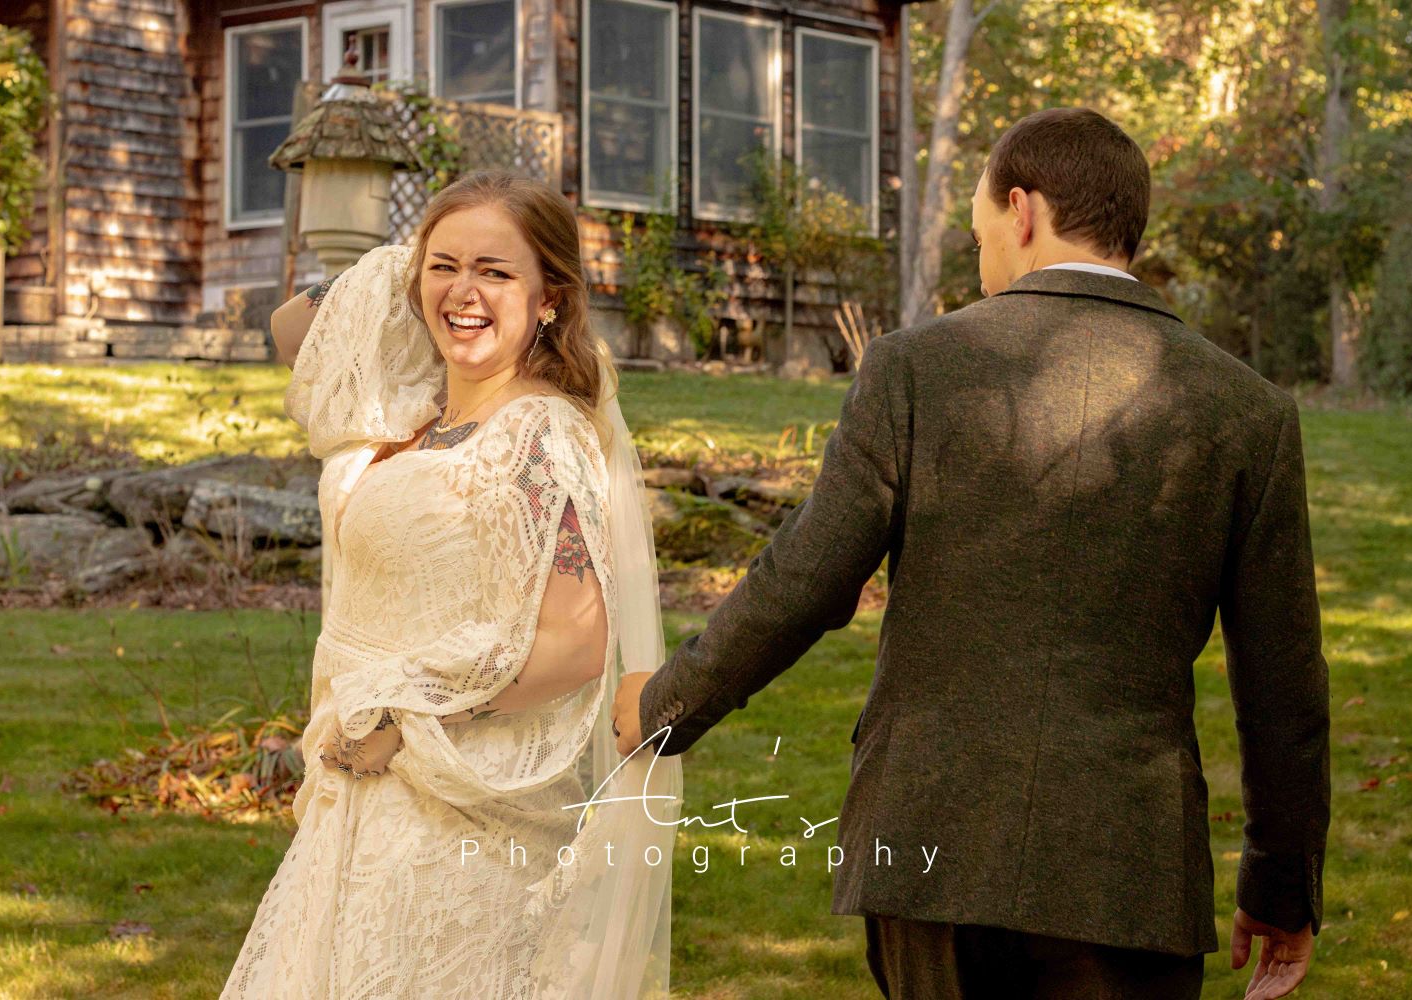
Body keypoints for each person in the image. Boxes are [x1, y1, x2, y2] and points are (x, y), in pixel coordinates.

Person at [613, 107, 1329, 1000]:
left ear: (1022, 211)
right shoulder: (1248, 411)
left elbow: (805, 578)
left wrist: (665, 706)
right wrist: (1281, 887)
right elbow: (1283, 682)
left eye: (981, 232)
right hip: (1126, 869)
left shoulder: (913, 369)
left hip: (930, 848)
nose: (981, 256)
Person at [222, 170, 683, 999]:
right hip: (355, 788)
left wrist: (408, 719)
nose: (465, 294)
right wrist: (424, 257)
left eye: (497, 273)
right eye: (445, 268)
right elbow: (292, 327)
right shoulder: (416, 408)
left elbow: (577, 646)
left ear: (550, 298)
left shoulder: (540, 436)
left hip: (448, 807)